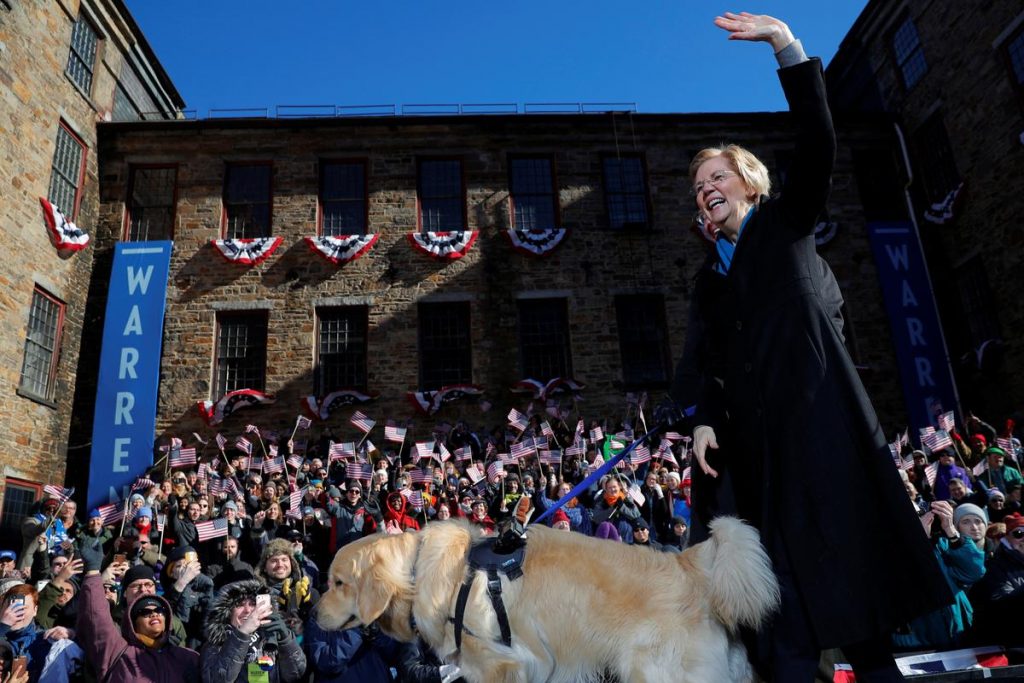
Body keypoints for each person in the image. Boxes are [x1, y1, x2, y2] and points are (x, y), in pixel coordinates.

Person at [665, 12, 951, 681]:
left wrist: (784, 46)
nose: (706, 187)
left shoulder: (786, 228)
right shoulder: (708, 283)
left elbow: (819, 139)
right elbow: (707, 367)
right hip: (763, 473)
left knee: (865, 635)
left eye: (717, 176)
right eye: (698, 185)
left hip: (825, 453)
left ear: (751, 183)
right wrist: (705, 416)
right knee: (785, 642)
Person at [76, 536, 199, 682]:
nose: (154, 614)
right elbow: (96, 619)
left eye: (159, 611)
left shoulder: (187, 656)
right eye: (145, 612)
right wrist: (93, 572)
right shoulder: (119, 652)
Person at [200, 579, 306, 683]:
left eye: (252, 604)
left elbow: (295, 674)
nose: (247, 610)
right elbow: (217, 679)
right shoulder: (217, 642)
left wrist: (286, 640)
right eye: (239, 605)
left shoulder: (272, 636)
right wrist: (243, 633)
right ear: (228, 612)